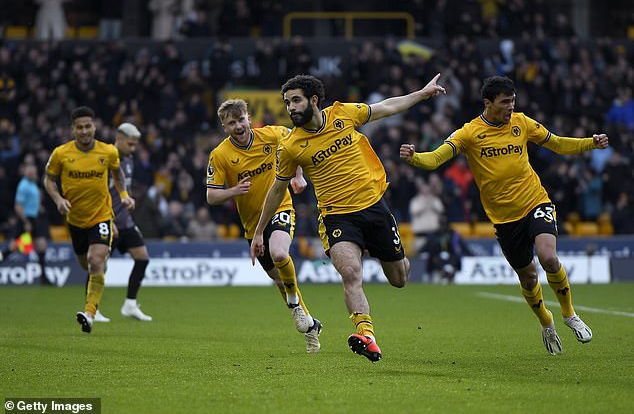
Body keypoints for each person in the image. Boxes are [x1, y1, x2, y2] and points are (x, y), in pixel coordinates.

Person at [400, 76, 607, 355]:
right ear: (488, 103)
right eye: (505, 102)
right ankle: (546, 321)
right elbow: (436, 158)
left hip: (535, 201)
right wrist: (414, 157)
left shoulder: (522, 123)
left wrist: (589, 144)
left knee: (548, 257)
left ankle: (570, 314)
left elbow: (557, 143)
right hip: (505, 219)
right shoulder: (470, 133)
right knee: (529, 278)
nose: (511, 106)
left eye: (513, 100)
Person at [250, 74, 445, 362]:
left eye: (295, 100)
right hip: (337, 217)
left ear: (313, 100)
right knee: (351, 273)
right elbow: (277, 190)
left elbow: (386, 107)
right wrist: (258, 232)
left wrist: (421, 94)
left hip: (374, 208)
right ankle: (367, 335)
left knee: (399, 278)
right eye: (286, 102)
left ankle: (397, 258)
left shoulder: (343, 114)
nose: (290, 107)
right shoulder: (291, 146)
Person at [207, 99, 322, 353]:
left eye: (241, 119)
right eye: (231, 123)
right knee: (279, 281)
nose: (238, 126)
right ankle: (310, 325)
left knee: (279, 253)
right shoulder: (220, 155)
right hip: (252, 225)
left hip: (280, 208)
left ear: (249, 118)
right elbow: (211, 196)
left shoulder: (272, 135)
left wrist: (299, 175)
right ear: (224, 127)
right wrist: (234, 191)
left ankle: (294, 305)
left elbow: (300, 144)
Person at [43, 106, 134, 334]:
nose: (84, 131)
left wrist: (123, 195)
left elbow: (118, 173)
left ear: (95, 127)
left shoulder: (108, 152)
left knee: (95, 261)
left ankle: (90, 313)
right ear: (72, 129)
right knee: (89, 264)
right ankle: (100, 266)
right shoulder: (61, 154)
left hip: (102, 216)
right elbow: (49, 180)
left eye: (88, 126)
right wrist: (58, 199)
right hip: (75, 220)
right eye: (79, 127)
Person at [108, 122, 152, 321]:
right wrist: (107, 219)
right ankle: (92, 309)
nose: (133, 148)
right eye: (130, 144)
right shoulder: (106, 159)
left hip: (125, 221)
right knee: (98, 264)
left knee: (142, 258)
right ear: (119, 138)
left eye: (135, 145)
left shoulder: (129, 159)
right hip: (107, 220)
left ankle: (130, 304)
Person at [0, 163, 51, 285]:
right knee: (13, 247)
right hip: (25, 220)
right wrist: (26, 222)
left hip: (33, 219)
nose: (33, 174)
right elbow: (18, 206)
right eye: (30, 172)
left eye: (34, 172)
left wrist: (39, 208)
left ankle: (44, 278)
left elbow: (32, 202)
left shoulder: (33, 184)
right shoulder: (23, 186)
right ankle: (44, 278)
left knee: (42, 245)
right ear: (26, 173)